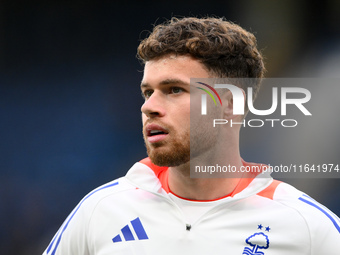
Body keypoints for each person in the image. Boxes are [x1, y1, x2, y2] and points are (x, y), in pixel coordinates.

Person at [43, 17, 340, 255]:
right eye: (148, 92)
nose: (149, 107)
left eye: (174, 90)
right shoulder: (100, 210)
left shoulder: (307, 226)